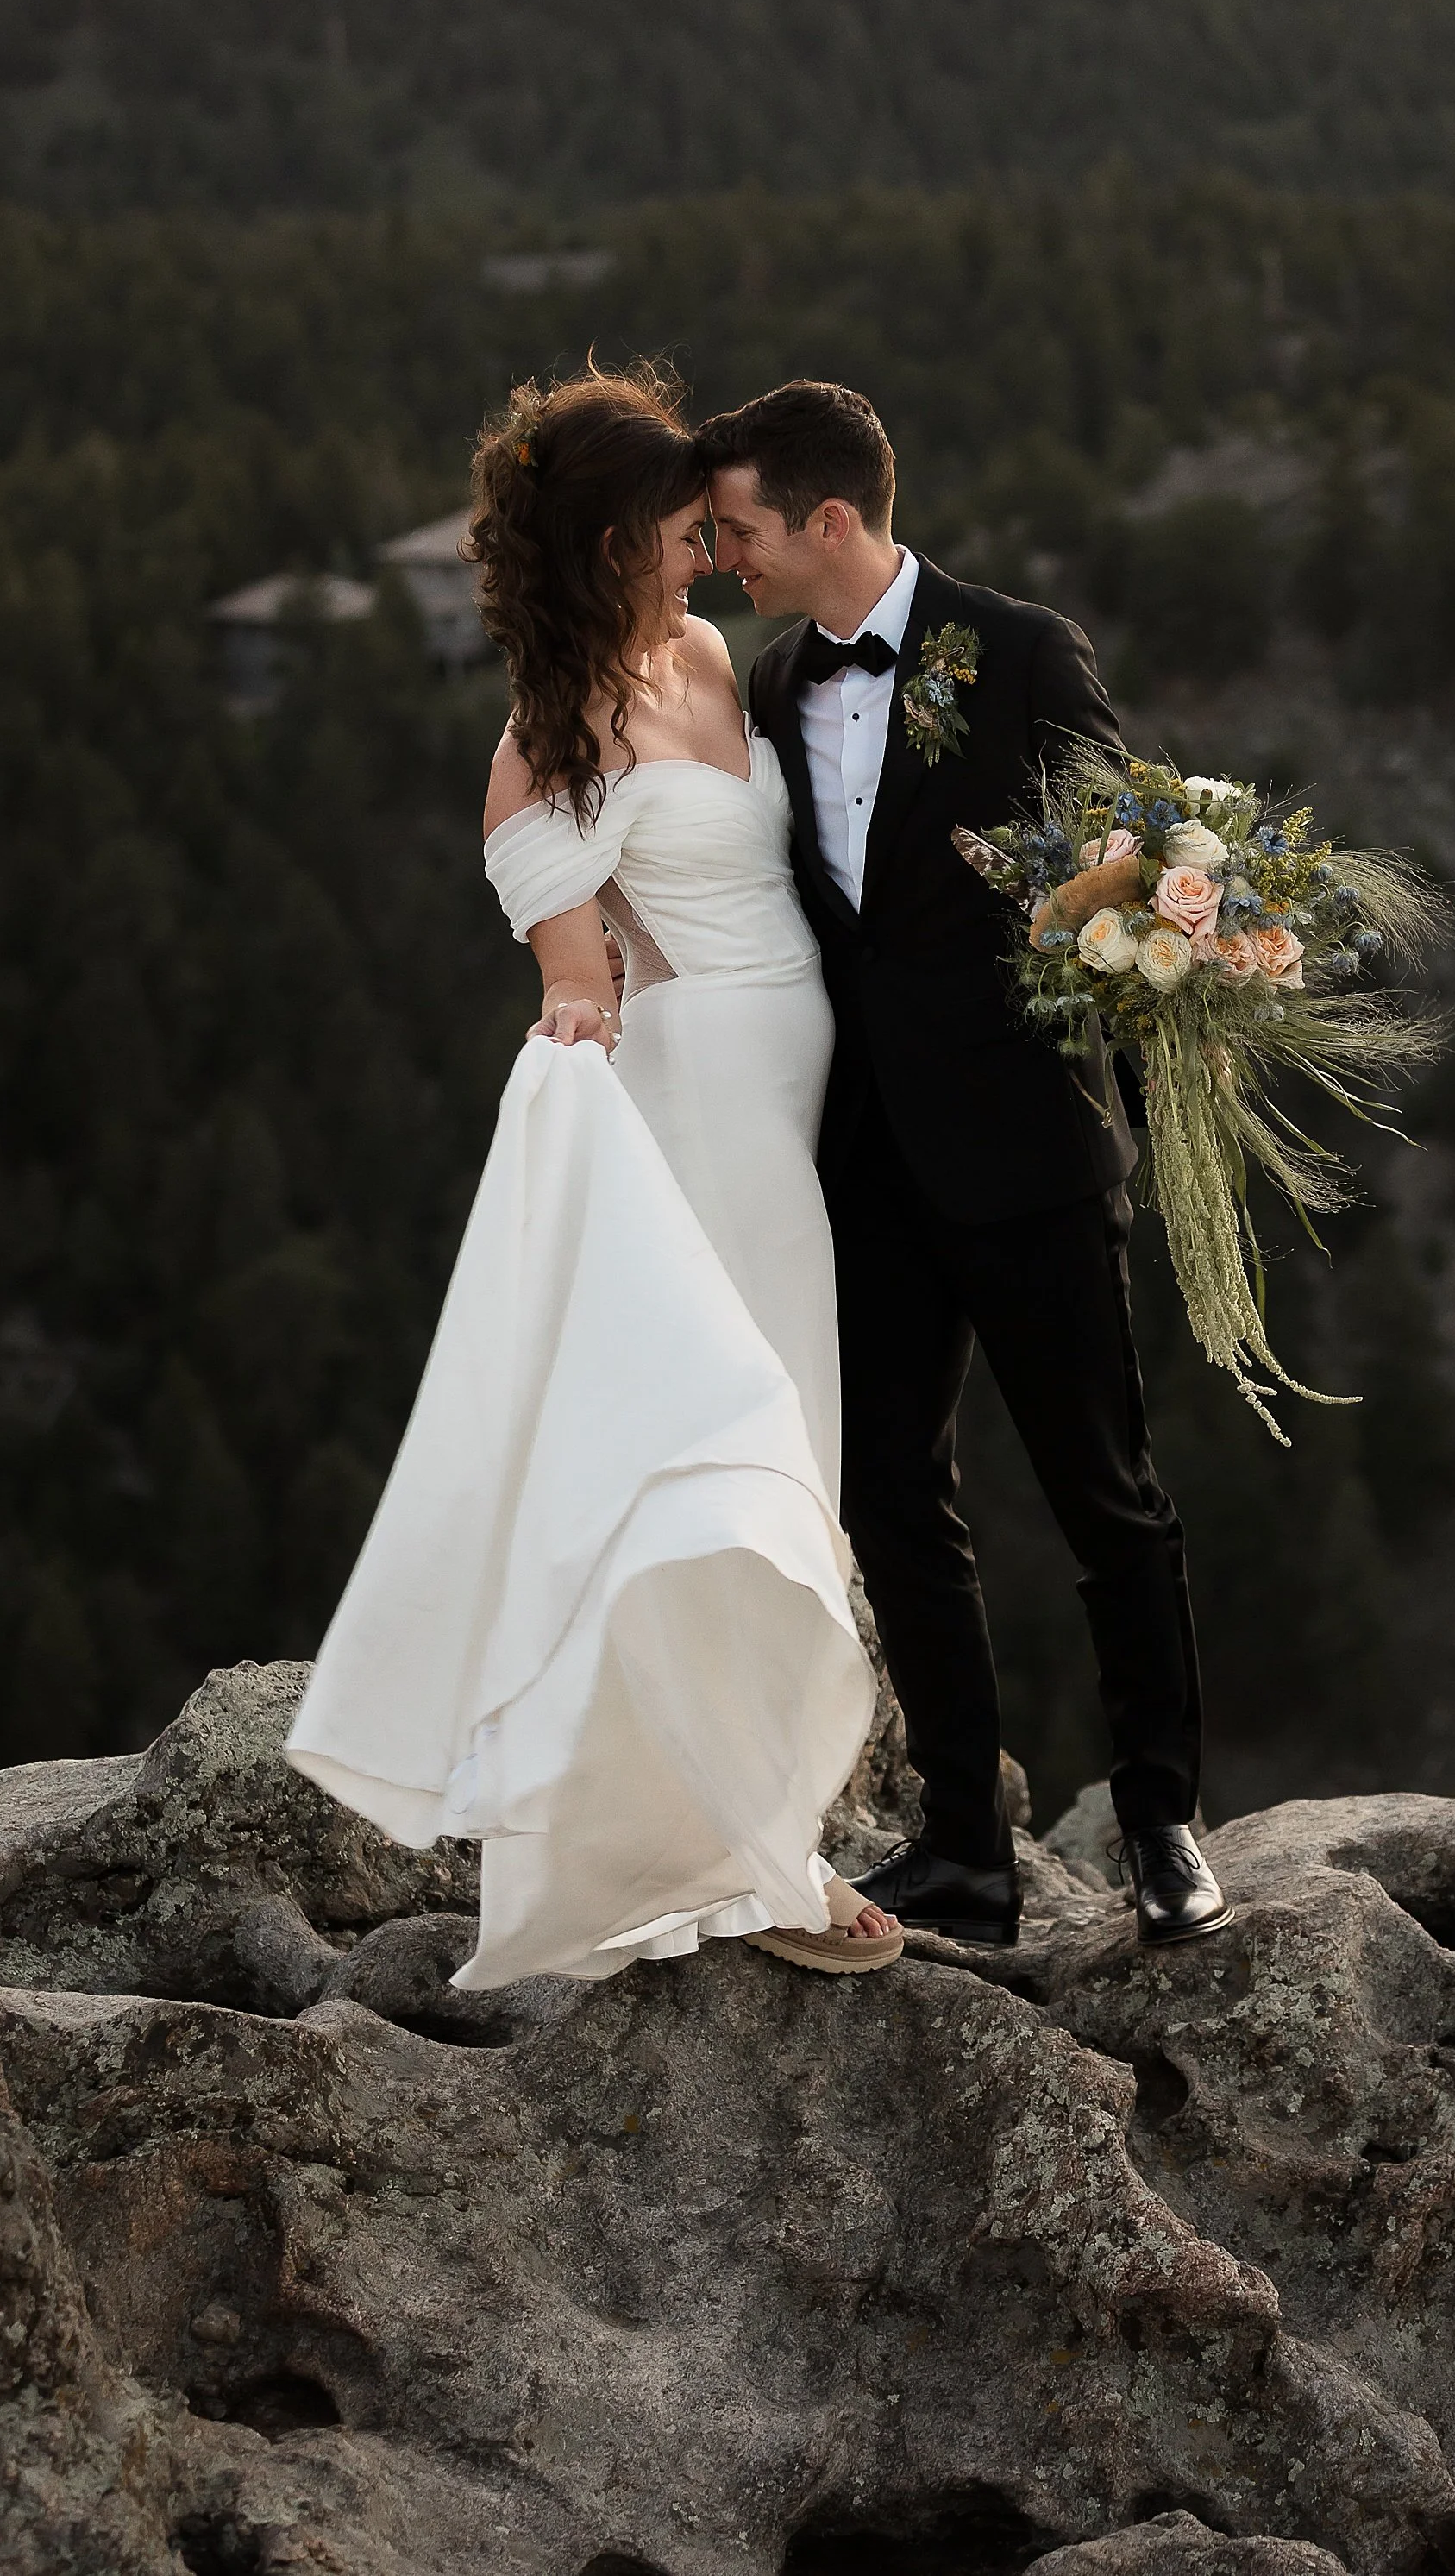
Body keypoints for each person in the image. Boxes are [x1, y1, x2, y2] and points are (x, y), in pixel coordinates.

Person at [285, 367, 900, 1982]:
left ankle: (768, 1822)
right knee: (736, 1476)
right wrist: (573, 1004)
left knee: (806, 1467)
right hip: (703, 1118)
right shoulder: (544, 742)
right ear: (614, 544)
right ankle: (769, 1857)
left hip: (803, 1107)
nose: (711, 562)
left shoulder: (709, 657)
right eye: (686, 536)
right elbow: (576, 969)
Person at [700, 380, 1231, 1951]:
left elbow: (1129, 872)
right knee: (890, 1491)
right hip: (862, 1163)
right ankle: (961, 1847)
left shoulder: (1023, 649)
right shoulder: (770, 678)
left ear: (831, 520)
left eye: (738, 531)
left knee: (1105, 1494)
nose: (726, 557)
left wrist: (1148, 1123)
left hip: (1032, 1152)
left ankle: (1161, 1821)